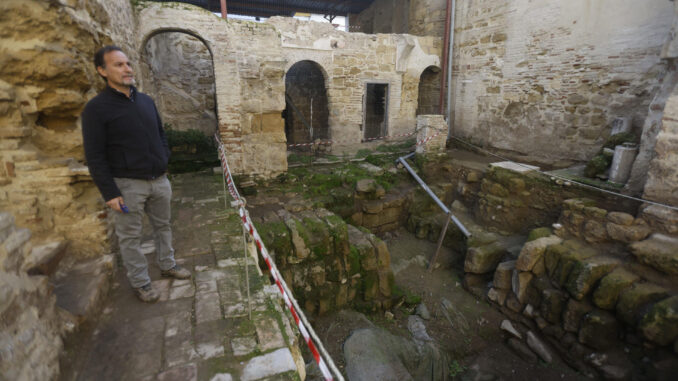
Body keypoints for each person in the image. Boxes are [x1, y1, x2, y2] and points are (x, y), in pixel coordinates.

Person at [81, 46, 190, 303]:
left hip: (159, 180)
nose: (127, 69)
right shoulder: (96, 109)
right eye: (118, 65)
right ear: (102, 70)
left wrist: (165, 157)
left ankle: (168, 264)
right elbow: (94, 156)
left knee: (163, 226)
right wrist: (110, 193)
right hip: (128, 186)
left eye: (128, 63)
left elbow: (160, 135)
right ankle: (141, 283)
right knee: (131, 237)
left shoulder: (146, 101)